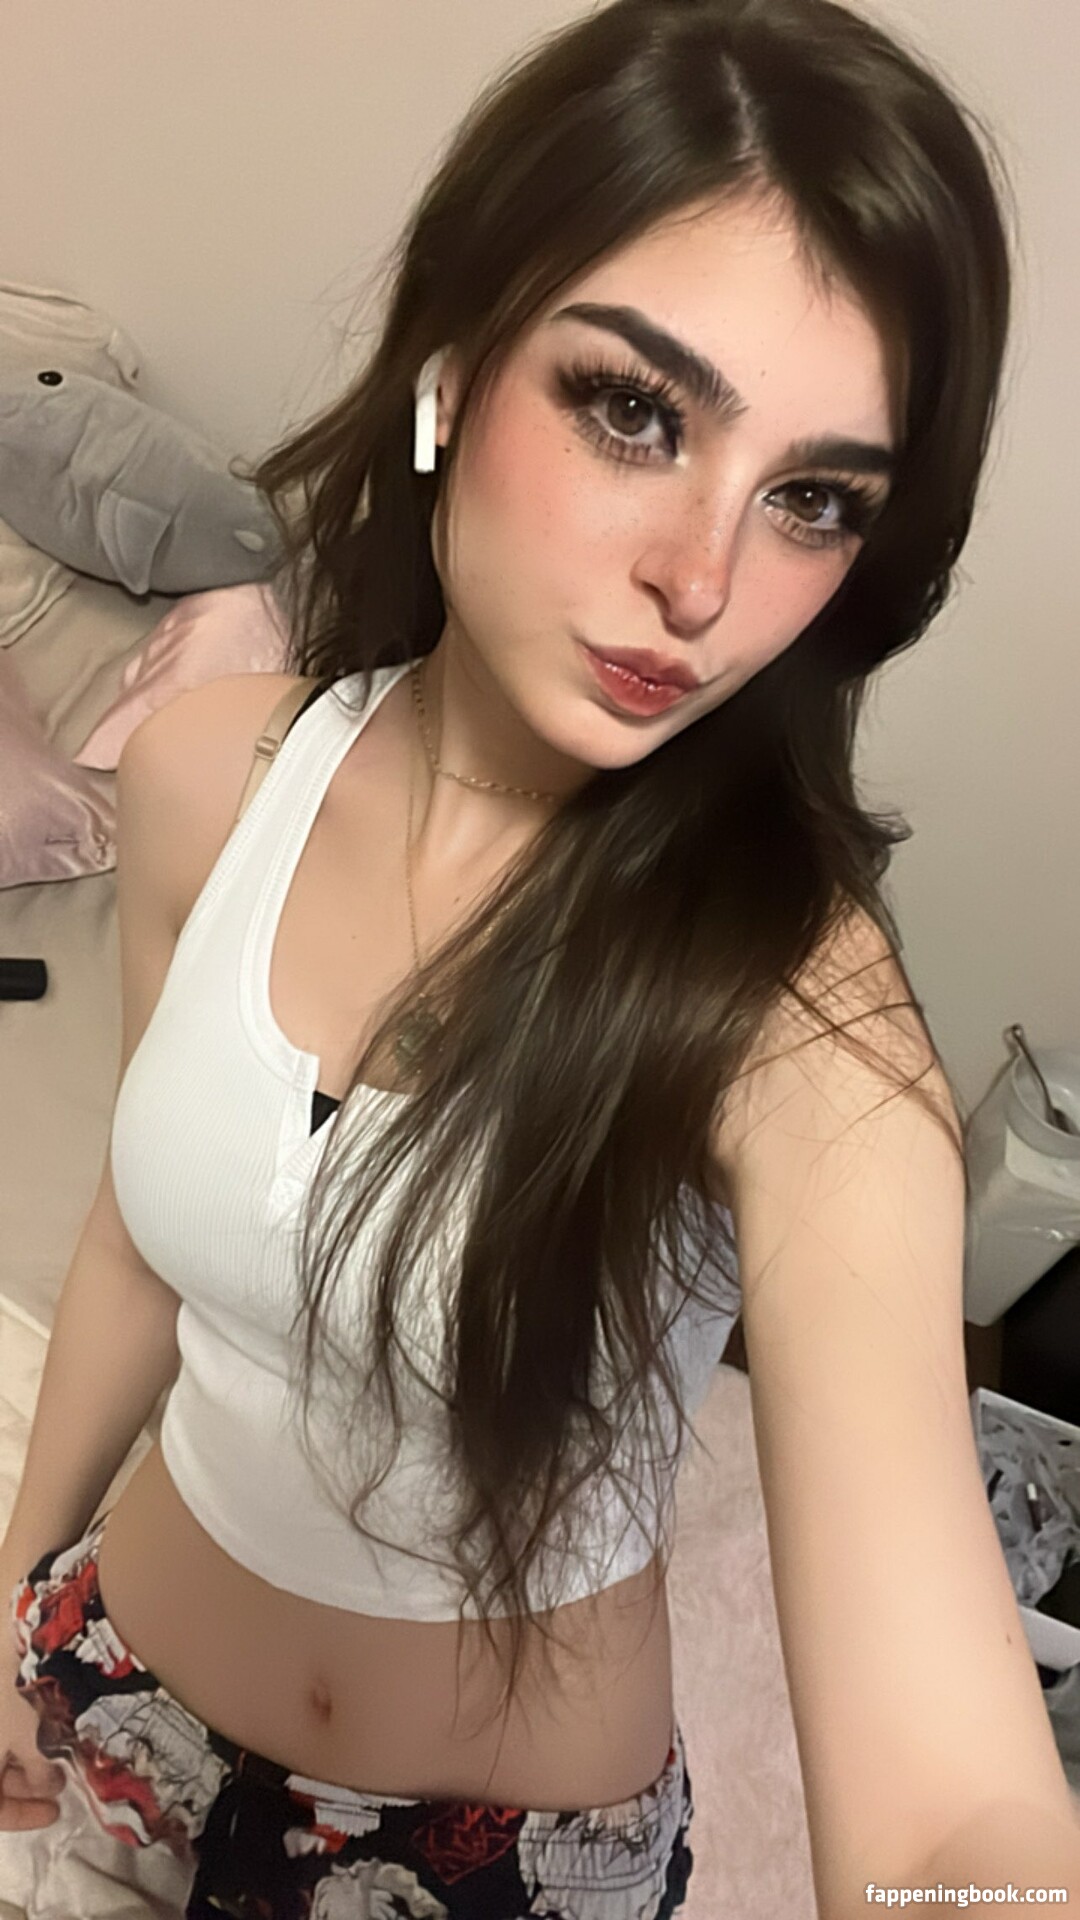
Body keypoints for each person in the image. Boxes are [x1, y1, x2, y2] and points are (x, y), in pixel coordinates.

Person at [3, 0, 1080, 1913]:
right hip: (119, 1689)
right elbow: (133, 1240)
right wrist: (17, 1583)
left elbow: (942, 1815)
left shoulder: (799, 1022)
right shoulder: (198, 780)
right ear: (451, 367)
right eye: (635, 410)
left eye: (813, 498)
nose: (703, 582)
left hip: (494, 1863)